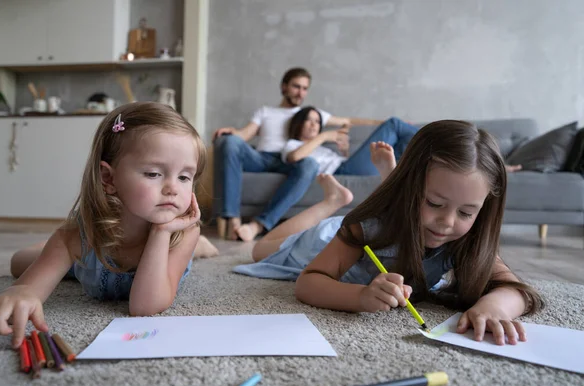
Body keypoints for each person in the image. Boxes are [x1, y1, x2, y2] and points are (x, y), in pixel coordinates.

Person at [234, 120, 543, 345]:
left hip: (376, 230)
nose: (447, 222)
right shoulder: (366, 227)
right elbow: (308, 283)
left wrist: (493, 307)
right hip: (325, 243)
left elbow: (517, 290)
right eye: (434, 203)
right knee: (262, 250)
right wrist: (360, 297)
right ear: (409, 187)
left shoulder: (466, 238)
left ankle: (339, 200)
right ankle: (331, 202)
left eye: (466, 212)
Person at [0, 102, 209, 348]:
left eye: (184, 177)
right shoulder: (79, 233)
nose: (173, 188)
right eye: (154, 174)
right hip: (90, 257)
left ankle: (201, 247)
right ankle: (54, 251)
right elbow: (27, 290)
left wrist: (161, 231)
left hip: (168, 254)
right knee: (18, 263)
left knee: (197, 245)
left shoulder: (183, 232)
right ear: (108, 178)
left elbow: (144, 308)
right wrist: (23, 292)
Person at [212, 67, 376, 242]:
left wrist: (384, 123)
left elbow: (349, 121)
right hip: (262, 157)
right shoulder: (265, 111)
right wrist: (232, 132)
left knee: (310, 164)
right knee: (229, 141)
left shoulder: (309, 114)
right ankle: (232, 217)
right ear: (284, 87)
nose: (301, 93)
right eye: (296, 87)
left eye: (305, 88)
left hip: (291, 159)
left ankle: (260, 224)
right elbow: (244, 136)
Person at [285, 106, 524, 174]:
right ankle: (449, 144)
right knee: (394, 125)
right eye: (309, 121)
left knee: (412, 149)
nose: (315, 126)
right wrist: (326, 134)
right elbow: (295, 157)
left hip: (346, 166)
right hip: (345, 172)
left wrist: (343, 150)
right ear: (298, 124)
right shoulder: (292, 146)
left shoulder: (320, 146)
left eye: (318, 122)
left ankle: (459, 155)